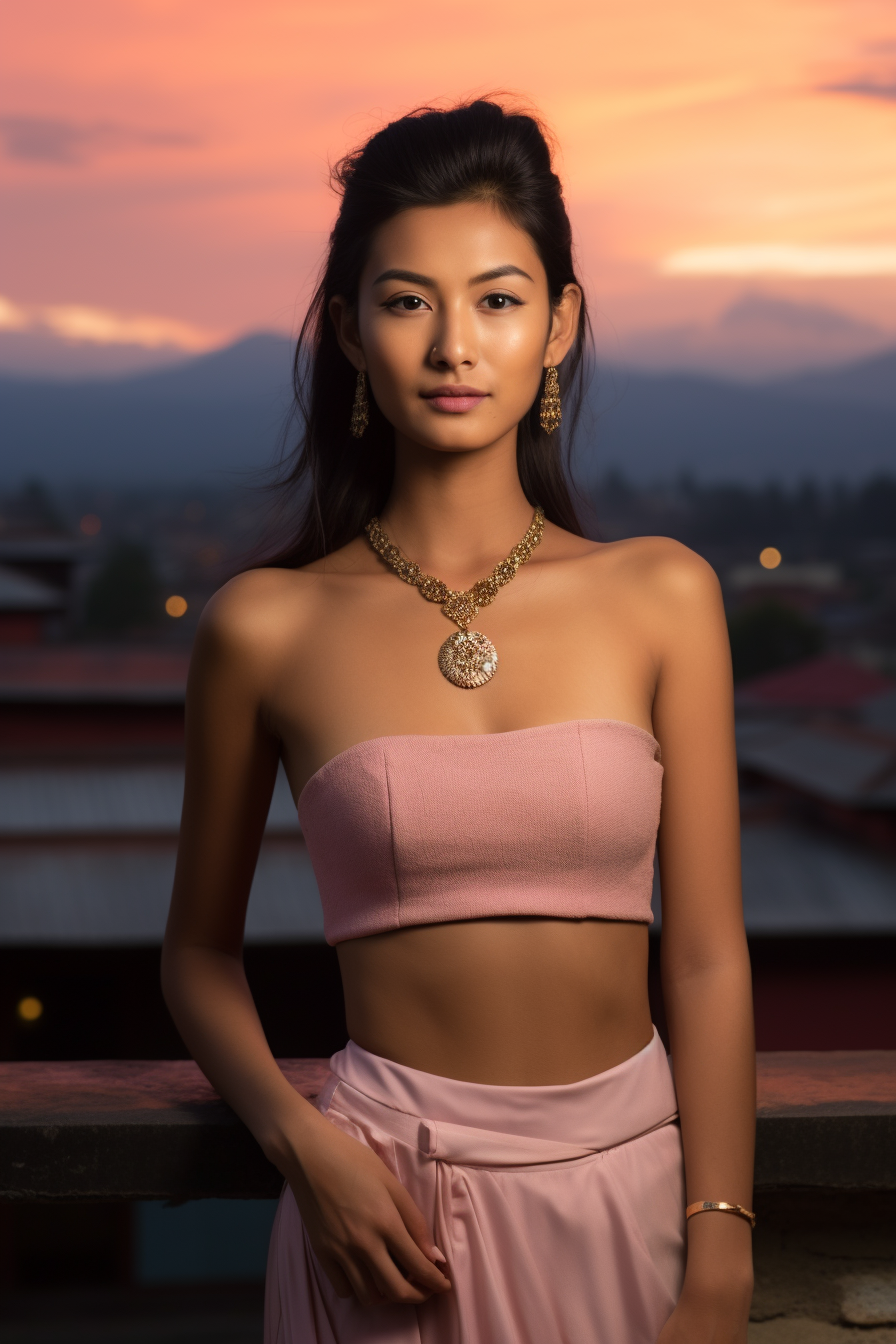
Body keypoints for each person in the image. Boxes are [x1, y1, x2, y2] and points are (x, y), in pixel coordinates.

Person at [162, 98, 755, 1344]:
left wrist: (716, 1252)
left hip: (625, 1194)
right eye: (405, 300)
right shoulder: (264, 626)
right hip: (382, 1214)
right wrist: (304, 1146)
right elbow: (196, 957)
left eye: (495, 298)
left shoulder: (660, 594)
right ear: (346, 331)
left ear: (560, 323)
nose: (452, 346)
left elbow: (701, 957)